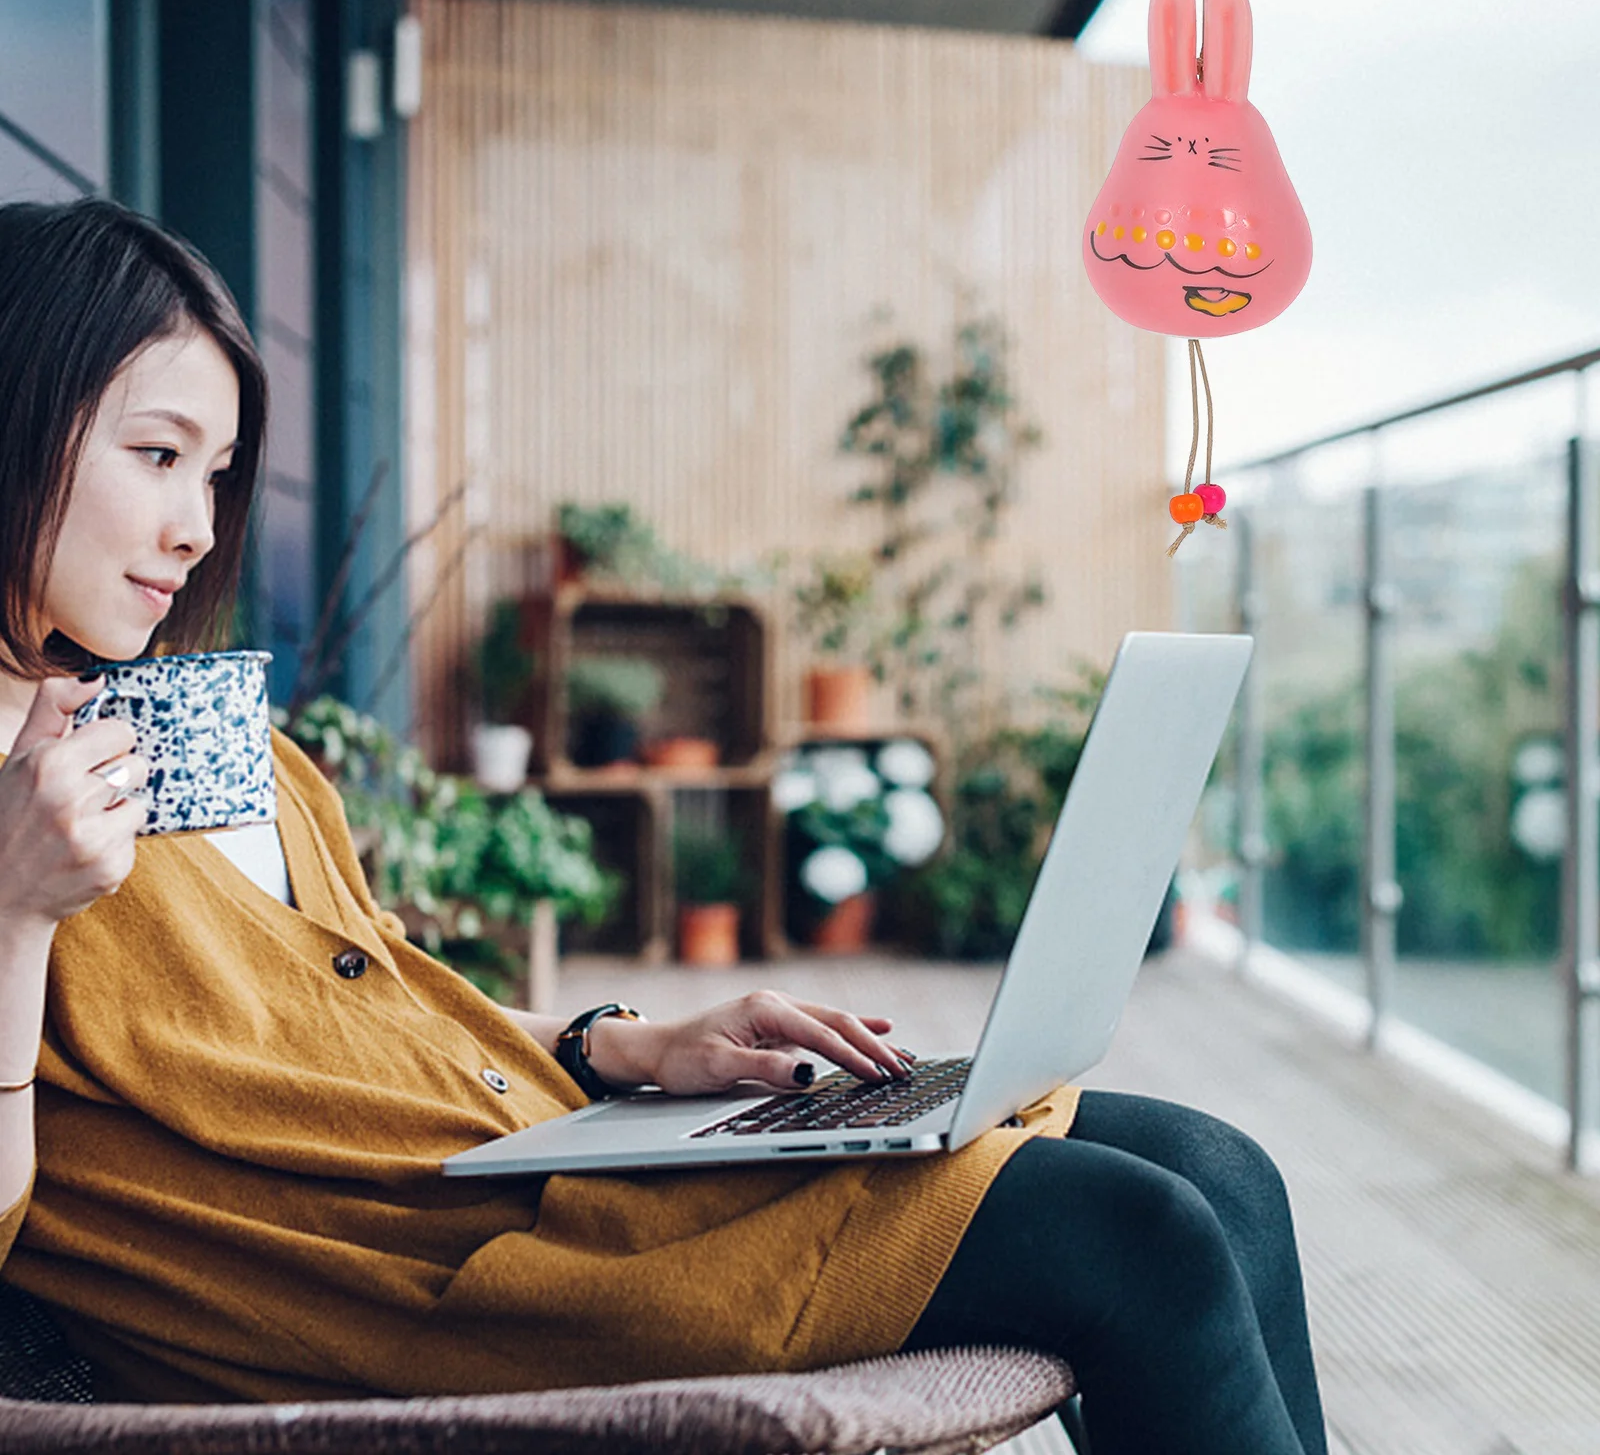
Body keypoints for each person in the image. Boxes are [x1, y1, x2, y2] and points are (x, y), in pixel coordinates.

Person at [0, 198, 1328, 1455]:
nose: (197, 527)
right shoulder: (26, 818)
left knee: (1220, 1166)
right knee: (1135, 1234)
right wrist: (12, 912)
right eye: (158, 455)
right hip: (442, 1283)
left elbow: (364, 1010)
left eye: (220, 472)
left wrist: (631, 1048)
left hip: (535, 1162)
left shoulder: (211, 735)